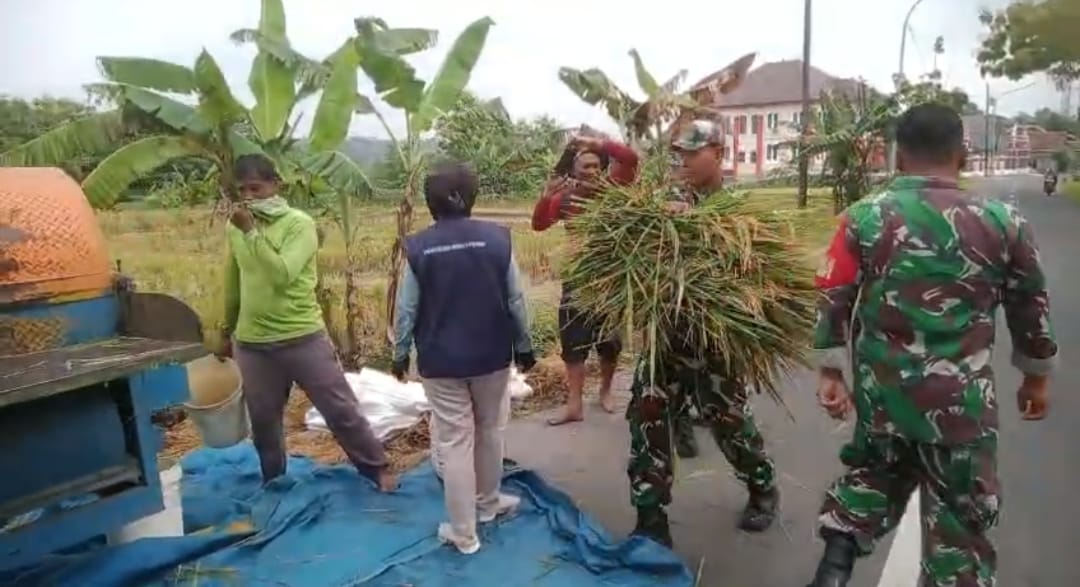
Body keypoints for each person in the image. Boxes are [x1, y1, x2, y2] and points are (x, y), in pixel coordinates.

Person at [805, 104, 1058, 587]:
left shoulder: (863, 217)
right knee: (960, 526)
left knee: (873, 479)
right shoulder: (1003, 221)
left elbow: (832, 295)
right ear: (962, 154)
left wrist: (832, 370)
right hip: (961, 411)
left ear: (899, 157)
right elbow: (1031, 307)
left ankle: (835, 566)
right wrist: (1036, 377)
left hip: (885, 400)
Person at [628, 119, 779, 549]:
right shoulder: (666, 201)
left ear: (719, 152)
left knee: (730, 424)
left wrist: (700, 228)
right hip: (666, 338)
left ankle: (762, 486)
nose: (686, 161)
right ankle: (649, 515)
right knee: (648, 419)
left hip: (716, 344)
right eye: (681, 153)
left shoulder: (740, 209)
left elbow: (756, 276)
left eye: (694, 152)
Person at [219, 154, 396, 492]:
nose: (250, 197)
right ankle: (274, 479)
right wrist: (227, 329)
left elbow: (282, 274)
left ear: (275, 185)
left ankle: (377, 468)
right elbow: (233, 281)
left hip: (301, 337)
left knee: (339, 409)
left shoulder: (298, 225)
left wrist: (252, 232)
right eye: (242, 190)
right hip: (253, 343)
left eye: (256, 187)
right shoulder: (236, 228)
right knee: (264, 421)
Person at [391, 162, 537, 555]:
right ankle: (488, 503)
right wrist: (525, 346)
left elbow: (406, 309)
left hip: (441, 362)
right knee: (490, 430)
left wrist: (400, 353)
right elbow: (516, 300)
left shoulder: (419, 248)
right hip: (491, 355)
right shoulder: (497, 240)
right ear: (468, 198)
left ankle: (463, 532)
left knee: (456, 440)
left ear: (432, 202)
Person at [532, 134, 636, 424]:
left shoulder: (615, 189)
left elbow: (630, 158)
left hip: (609, 279)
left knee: (610, 343)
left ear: (603, 169)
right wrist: (545, 195)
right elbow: (539, 225)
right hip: (577, 279)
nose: (590, 172)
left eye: (595, 166)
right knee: (573, 345)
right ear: (574, 173)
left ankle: (605, 392)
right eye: (584, 168)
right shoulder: (565, 200)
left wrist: (597, 143)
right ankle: (574, 405)